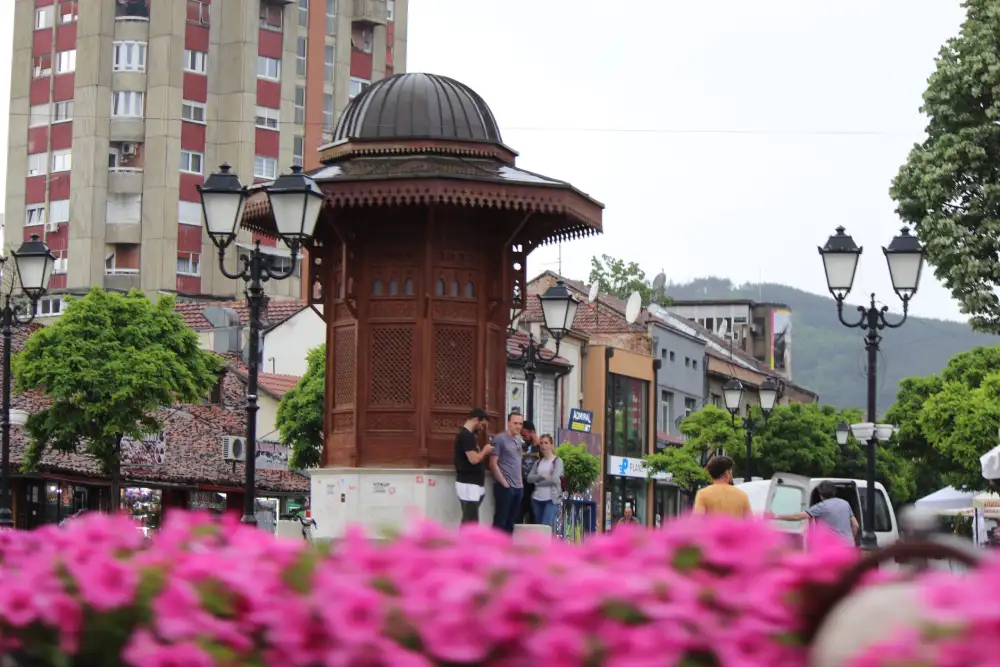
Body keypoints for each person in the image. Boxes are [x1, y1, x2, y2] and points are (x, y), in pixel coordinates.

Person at [773, 480, 859, 544]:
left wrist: (777, 516)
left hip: (832, 547)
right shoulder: (845, 503)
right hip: (849, 547)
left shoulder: (821, 506)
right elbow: (856, 525)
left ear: (820, 494)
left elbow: (797, 517)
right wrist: (850, 540)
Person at [453, 408, 492, 524]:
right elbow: (474, 459)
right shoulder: (466, 436)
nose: (482, 428)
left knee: (469, 517)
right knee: (471, 519)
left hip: (473, 483)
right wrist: (485, 450)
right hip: (468, 483)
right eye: (482, 424)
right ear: (476, 420)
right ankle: (466, 541)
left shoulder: (470, 436)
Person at [489, 411, 525, 533]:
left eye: (520, 423)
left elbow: (518, 462)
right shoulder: (500, 439)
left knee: (511, 521)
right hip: (505, 487)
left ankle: (507, 549)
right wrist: (504, 483)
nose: (518, 426)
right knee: (501, 520)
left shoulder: (518, 440)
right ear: (508, 423)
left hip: (518, 486)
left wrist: (521, 483)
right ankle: (494, 547)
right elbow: (493, 463)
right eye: (515, 423)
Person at [526, 434, 563, 530]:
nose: (543, 446)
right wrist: (541, 476)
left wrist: (538, 482)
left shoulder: (557, 461)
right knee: (538, 528)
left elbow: (554, 479)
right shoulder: (538, 462)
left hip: (550, 499)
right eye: (541, 443)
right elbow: (529, 478)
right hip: (537, 499)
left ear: (551, 445)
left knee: (546, 527)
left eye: (546, 443)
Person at [518, 420, 540, 524]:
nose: (522, 436)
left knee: (534, 514)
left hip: (536, 485)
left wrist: (537, 445)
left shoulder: (541, 447)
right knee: (519, 512)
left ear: (532, 432)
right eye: (521, 434)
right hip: (523, 482)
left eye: (524, 434)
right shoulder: (523, 446)